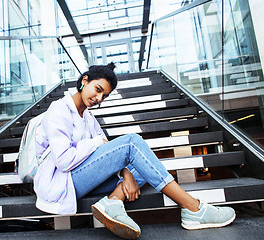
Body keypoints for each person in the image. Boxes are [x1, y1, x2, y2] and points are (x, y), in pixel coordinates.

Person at [34, 63, 235, 239]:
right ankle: (193, 208)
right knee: (132, 142)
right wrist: (95, 142)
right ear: (84, 80)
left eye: (104, 95)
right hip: (61, 181)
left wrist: (126, 173)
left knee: (145, 166)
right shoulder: (58, 110)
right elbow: (64, 161)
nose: (99, 98)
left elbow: (107, 152)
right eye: (97, 89)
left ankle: (113, 201)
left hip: (81, 178)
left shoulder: (87, 117)